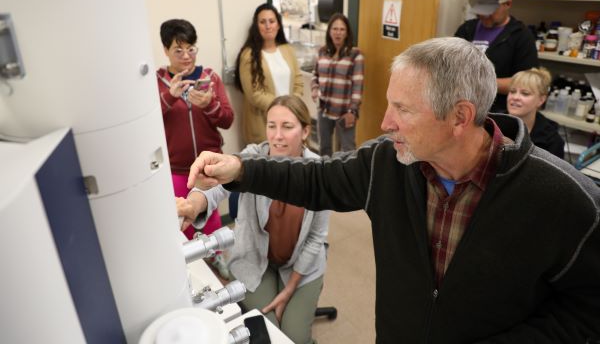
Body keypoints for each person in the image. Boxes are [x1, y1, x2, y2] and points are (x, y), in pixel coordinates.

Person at [187, 37, 600, 343]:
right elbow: (317, 179)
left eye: (402, 110)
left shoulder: (565, 199)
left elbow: (587, 310)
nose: (385, 123)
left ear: (459, 117)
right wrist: (239, 169)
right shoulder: (387, 162)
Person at [178, 95, 329, 344]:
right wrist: (193, 205)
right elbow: (216, 186)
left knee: (295, 338)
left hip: (302, 268)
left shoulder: (319, 171)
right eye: (272, 126)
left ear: (305, 132)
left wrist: (290, 289)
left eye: (287, 127)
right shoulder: (251, 159)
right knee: (268, 332)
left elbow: (316, 238)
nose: (277, 135)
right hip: (256, 261)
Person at [156, 19, 233, 277]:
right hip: (177, 167)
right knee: (184, 220)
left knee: (210, 216)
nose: (187, 56)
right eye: (178, 50)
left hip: (210, 163)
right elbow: (148, 123)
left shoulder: (209, 77)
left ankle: (216, 256)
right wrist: (170, 98)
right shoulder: (157, 81)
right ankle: (194, 267)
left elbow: (227, 119)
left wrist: (210, 104)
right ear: (166, 50)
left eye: (191, 49)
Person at [455, 0, 538, 113]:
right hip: (462, 104)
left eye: (491, 10)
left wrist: (481, 84)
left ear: (508, 4)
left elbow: (527, 83)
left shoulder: (521, 36)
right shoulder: (466, 29)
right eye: (482, 10)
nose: (484, 15)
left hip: (497, 111)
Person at [234, 3, 304, 145]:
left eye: (272, 21)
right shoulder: (249, 55)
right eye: (262, 22)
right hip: (263, 124)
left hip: (290, 119)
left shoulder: (288, 50)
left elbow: (298, 82)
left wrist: (292, 107)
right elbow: (255, 94)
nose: (268, 26)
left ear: (278, 25)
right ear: (256, 26)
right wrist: (282, 108)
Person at [311, 13, 364, 156]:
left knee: (348, 151)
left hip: (344, 112)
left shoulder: (355, 55)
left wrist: (352, 111)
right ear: (329, 31)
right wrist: (315, 89)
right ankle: (324, 177)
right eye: (335, 29)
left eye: (342, 29)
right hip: (324, 109)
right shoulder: (321, 51)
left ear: (347, 33)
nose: (338, 33)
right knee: (324, 149)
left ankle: (347, 178)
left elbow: (357, 87)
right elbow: (315, 75)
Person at [507, 67, 564, 159]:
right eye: (512, 91)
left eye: (525, 93)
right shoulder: (492, 124)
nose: (515, 97)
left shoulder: (552, 142)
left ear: (541, 100)